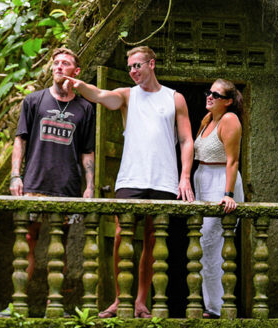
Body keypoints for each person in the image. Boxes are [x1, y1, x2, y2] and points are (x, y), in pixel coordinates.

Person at [64, 45, 194, 319]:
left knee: (153, 239)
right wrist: (79, 85)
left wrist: (184, 177)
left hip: (164, 181)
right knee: (122, 235)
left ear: (152, 64)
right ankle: (119, 298)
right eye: (130, 68)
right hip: (131, 178)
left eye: (137, 65)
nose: (133, 71)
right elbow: (100, 95)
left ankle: (141, 301)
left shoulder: (175, 98)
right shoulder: (126, 96)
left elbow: (186, 140)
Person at [0, 47, 96, 317]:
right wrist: (15, 176)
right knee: (26, 240)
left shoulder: (85, 108)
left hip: (66, 187)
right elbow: (20, 140)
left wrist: (89, 186)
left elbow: (87, 151)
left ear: (76, 72)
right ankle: (16, 304)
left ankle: (55, 305)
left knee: (59, 246)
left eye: (65, 63)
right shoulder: (34, 101)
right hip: (33, 184)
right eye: (56, 63)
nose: (59, 67)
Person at [193, 78, 245, 319]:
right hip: (203, 179)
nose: (209, 96)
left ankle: (218, 308)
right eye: (209, 92)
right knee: (202, 245)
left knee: (213, 245)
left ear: (228, 101)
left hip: (220, 181)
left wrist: (228, 194)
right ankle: (212, 304)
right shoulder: (207, 121)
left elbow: (233, 160)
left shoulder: (229, 120)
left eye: (216, 94)